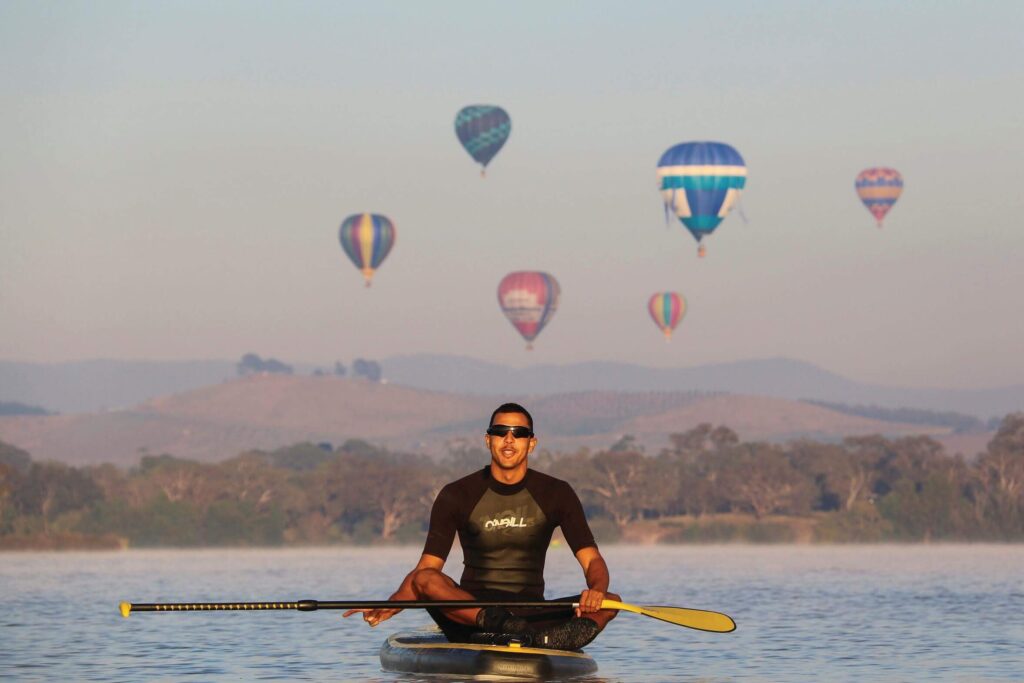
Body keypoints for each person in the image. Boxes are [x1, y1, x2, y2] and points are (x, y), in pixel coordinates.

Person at [343, 402, 619, 650]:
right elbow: (425, 573)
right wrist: (392, 604)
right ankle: (504, 627)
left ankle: (552, 641)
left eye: (519, 433)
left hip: (530, 612)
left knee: (611, 600)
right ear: (488, 440)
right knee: (426, 578)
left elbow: (592, 559)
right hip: (470, 614)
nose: (509, 440)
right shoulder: (457, 494)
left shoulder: (557, 493)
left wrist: (595, 589)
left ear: (531, 443)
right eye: (500, 432)